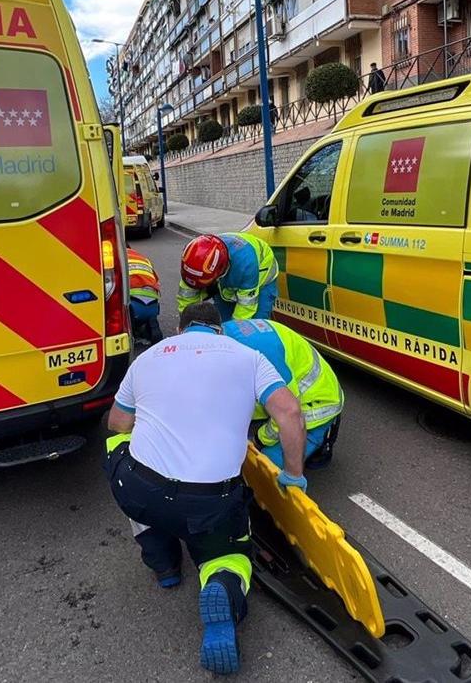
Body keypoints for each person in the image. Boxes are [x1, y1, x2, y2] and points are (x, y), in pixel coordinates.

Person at [105, 302, 307, 675]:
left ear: (181, 331)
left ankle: (163, 562)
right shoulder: (249, 358)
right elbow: (290, 413)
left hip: (140, 489)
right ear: (219, 332)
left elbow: (118, 422)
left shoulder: (147, 358)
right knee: (230, 555)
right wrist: (293, 474)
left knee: (118, 446)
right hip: (208, 503)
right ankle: (221, 584)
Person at [222, 318, 343, 470]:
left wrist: (259, 439)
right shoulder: (225, 333)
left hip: (316, 404)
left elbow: (289, 411)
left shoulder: (261, 354)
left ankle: (318, 441)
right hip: (294, 390)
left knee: (264, 467)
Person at [177, 232, 279, 322]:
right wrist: (188, 325)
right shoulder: (192, 264)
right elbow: (186, 299)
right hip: (227, 274)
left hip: (261, 277)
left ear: (219, 273)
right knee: (222, 321)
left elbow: (245, 308)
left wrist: (234, 335)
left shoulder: (246, 265)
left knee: (254, 325)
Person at [126, 246, 163, 345]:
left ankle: (132, 331)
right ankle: (151, 321)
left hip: (133, 307)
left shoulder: (115, 258)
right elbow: (156, 282)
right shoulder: (143, 258)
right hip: (153, 304)